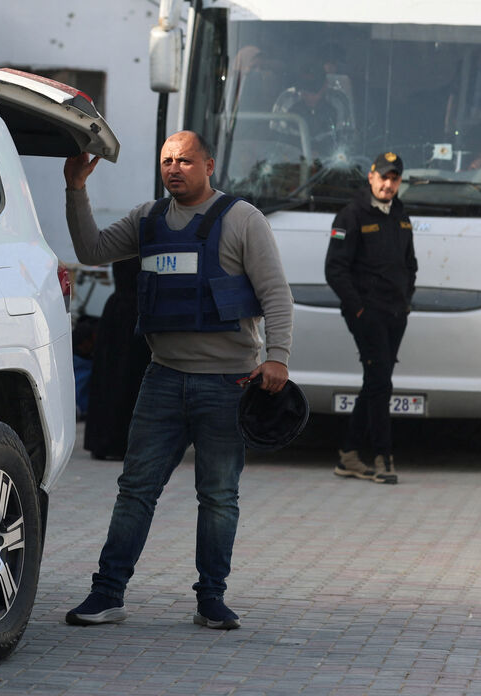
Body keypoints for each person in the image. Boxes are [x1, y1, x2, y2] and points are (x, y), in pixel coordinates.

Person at [61, 131, 294, 630]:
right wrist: (75, 189)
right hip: (163, 379)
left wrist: (278, 357)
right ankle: (107, 594)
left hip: (227, 385)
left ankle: (211, 598)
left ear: (208, 165)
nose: (174, 168)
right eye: (167, 160)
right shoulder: (147, 219)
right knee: (135, 491)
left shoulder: (241, 219)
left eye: (185, 161)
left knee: (217, 497)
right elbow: (91, 248)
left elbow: (276, 294)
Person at [324, 151, 417, 485]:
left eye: (394, 179)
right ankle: (382, 457)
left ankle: (349, 455)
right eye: (383, 177)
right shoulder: (351, 216)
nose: (388, 184)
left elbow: (410, 264)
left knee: (376, 381)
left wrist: (406, 300)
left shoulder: (400, 216)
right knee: (381, 381)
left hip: (396, 313)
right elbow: (334, 269)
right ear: (371, 177)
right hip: (367, 313)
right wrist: (358, 308)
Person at [83, 257, 151, 461]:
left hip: (118, 313)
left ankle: (105, 441)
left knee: (110, 378)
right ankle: (124, 441)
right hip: (135, 313)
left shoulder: (125, 236)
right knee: (131, 380)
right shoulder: (147, 235)